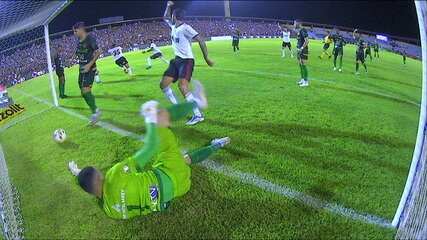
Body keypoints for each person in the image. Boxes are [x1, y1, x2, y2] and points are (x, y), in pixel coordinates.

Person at [67, 82, 231, 220]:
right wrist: (150, 119)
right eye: (100, 173)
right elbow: (150, 148)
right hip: (168, 173)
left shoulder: (109, 211)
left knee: (184, 160)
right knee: (160, 117)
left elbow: (95, 187)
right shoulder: (114, 175)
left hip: (178, 190)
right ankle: (198, 103)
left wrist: (77, 173)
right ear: (100, 176)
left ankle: (217, 144)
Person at [160, 1, 214, 125]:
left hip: (187, 60)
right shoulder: (173, 26)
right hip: (176, 60)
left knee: (182, 86)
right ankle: (178, 107)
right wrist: (168, 6)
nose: (170, 17)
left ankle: (198, 115)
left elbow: (200, 40)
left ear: (175, 16)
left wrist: (206, 58)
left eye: (172, 15)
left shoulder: (186, 28)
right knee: (163, 85)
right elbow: (165, 17)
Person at [73, 21, 102, 124]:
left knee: (85, 91)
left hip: (89, 69)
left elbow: (98, 52)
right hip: (81, 70)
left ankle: (96, 112)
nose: (74, 33)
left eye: (75, 31)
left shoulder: (90, 38)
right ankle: (95, 109)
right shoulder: (79, 41)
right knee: (84, 92)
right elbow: (79, 54)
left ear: (81, 30)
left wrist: (89, 65)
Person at [294, 19, 309, 87]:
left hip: (303, 50)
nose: (294, 24)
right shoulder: (300, 31)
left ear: (299, 23)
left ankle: (306, 82)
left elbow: (307, 41)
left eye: (295, 23)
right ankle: (302, 79)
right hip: (299, 50)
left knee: (304, 65)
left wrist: (302, 48)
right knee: (300, 65)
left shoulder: (303, 30)